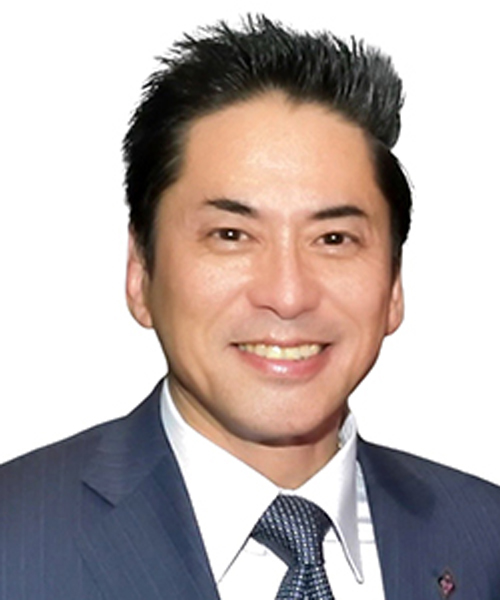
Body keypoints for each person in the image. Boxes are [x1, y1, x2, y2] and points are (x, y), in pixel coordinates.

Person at [1, 15, 499, 600]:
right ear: (140, 272)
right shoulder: (18, 539)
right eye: (231, 235)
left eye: (333, 239)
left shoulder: (483, 537)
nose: (288, 295)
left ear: (393, 286)